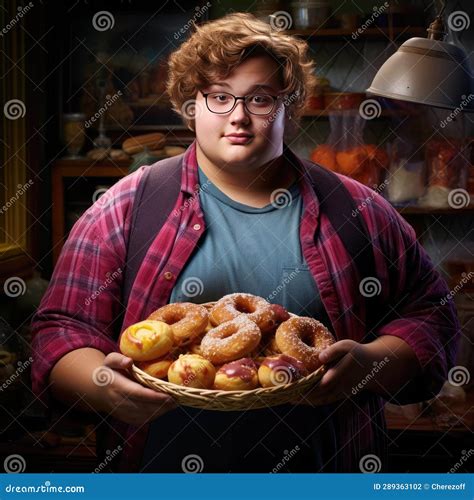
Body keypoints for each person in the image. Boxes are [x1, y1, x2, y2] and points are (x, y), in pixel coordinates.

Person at [31, 13, 460, 473]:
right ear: (191, 105)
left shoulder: (359, 210)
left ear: (288, 108)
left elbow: (432, 317)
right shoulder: (125, 207)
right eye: (218, 96)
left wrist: (370, 364)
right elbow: (59, 330)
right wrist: (103, 388)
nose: (237, 115)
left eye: (259, 99)